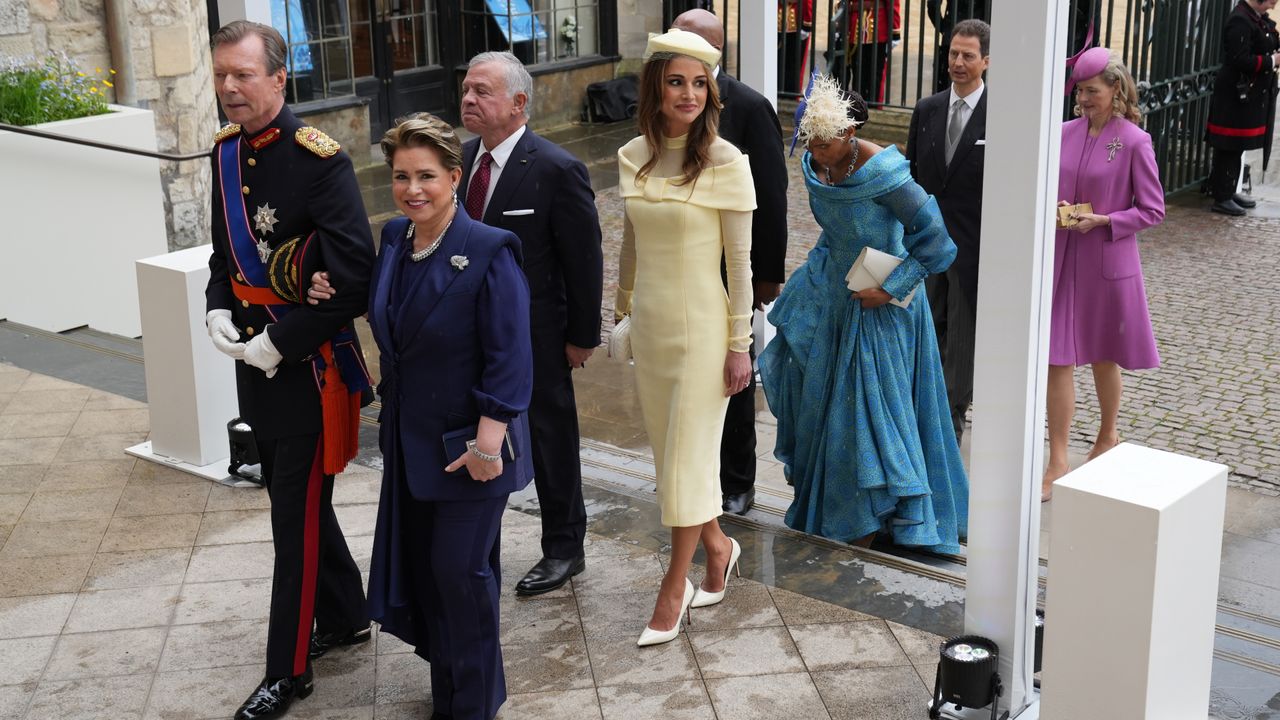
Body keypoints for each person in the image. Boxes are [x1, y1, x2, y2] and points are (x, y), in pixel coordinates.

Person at [204, 20, 373, 720]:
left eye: (243, 74)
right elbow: (223, 259)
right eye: (220, 75)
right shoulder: (222, 155)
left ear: (279, 78)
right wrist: (217, 307)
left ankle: (289, 669)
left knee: (291, 523)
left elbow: (357, 273)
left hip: (305, 370)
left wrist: (287, 340)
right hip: (253, 358)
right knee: (293, 498)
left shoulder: (319, 160)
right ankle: (345, 614)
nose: (229, 88)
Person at [365, 114, 533, 720]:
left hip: (471, 451)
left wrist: (489, 443)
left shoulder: (489, 251)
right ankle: (453, 697)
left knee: (459, 575)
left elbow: (511, 357)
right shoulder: (393, 240)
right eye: (401, 176)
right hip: (411, 448)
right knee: (435, 579)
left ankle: (474, 706)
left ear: (455, 178)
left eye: (427, 176)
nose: (413, 189)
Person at [759, 75, 968, 555]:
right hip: (834, 294)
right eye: (809, 142)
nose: (815, 152)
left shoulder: (886, 175)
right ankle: (835, 507)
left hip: (880, 307)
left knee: (868, 414)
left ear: (850, 135)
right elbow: (835, 228)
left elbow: (937, 243)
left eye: (825, 143)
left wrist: (891, 289)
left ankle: (872, 516)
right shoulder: (817, 164)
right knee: (820, 400)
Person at [615, 28, 755, 645]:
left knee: (686, 462)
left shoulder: (727, 162)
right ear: (656, 86)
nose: (689, 94)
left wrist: (739, 344)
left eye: (700, 83)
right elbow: (629, 246)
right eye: (677, 81)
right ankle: (719, 546)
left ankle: (675, 585)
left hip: (704, 331)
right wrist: (621, 314)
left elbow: (741, 266)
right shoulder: (632, 155)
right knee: (674, 458)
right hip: (651, 329)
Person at [458, 52, 604, 597]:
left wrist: (580, 337)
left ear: (518, 103)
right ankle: (476, 540)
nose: (469, 100)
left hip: (536, 334)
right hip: (471, 333)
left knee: (549, 437)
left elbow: (584, 261)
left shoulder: (556, 168)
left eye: (483, 92)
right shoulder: (461, 160)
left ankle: (565, 546)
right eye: (466, 90)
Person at [672, 8, 790, 515]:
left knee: (732, 376)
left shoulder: (748, 106)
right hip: (679, 263)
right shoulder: (664, 102)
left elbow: (772, 194)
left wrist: (767, 274)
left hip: (728, 268)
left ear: (713, 50)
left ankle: (737, 480)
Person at [1043, 48, 1164, 501]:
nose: (1084, 100)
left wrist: (1108, 221)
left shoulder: (1134, 141)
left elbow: (1153, 210)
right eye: (1079, 92)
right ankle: (1057, 459)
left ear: (1116, 90)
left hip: (1106, 262)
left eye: (1092, 92)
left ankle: (1107, 434)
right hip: (1061, 259)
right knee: (1057, 357)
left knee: (1102, 355)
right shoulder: (1062, 133)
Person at [906, 18, 990, 444]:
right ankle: (924, 409)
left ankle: (951, 418)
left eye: (968, 56)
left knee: (961, 339)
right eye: (953, 53)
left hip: (972, 249)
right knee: (926, 327)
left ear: (986, 61)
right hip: (926, 244)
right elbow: (912, 176)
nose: (957, 62)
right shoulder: (927, 109)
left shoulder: (1001, 115)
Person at [1205, 0, 1279, 216]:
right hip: (1234, 95)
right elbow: (1239, 60)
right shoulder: (1240, 20)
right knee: (1228, 146)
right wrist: (1272, 61)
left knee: (1237, 147)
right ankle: (1222, 196)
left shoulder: (1253, 18)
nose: (1274, 6)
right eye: (1272, 1)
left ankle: (1228, 190)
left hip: (1247, 96)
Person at [926, 0, 989, 94]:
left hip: (951, 32)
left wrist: (944, 28)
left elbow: (932, 5)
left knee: (944, 90)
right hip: (978, 37)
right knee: (976, 87)